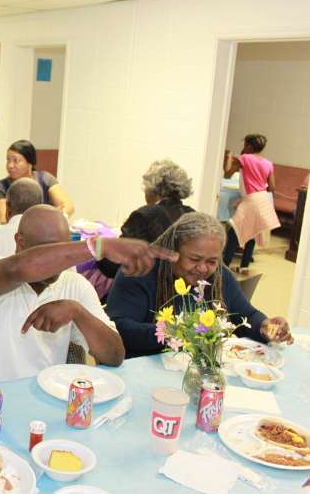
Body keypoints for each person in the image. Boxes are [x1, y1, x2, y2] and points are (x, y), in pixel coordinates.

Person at [0, 204, 178, 390]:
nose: (60, 260)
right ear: (20, 241)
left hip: (37, 407)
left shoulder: (74, 285)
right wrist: (98, 248)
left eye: (64, 248)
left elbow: (114, 356)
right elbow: (19, 268)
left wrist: (77, 312)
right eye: (50, 250)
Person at [106, 212, 292, 359]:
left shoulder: (219, 276)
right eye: (194, 259)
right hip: (143, 365)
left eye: (212, 261)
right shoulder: (139, 272)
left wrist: (265, 326)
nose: (203, 268)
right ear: (173, 250)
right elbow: (119, 328)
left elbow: (246, 315)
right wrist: (174, 331)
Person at [97, 159, 195, 279]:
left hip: (147, 287)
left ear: (153, 189)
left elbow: (113, 267)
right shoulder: (192, 215)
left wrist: (99, 248)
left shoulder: (145, 215)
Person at [222, 134, 279, 274]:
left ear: (249, 146)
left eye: (245, 145)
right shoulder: (268, 163)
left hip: (251, 201)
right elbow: (272, 187)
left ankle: (224, 267)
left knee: (234, 232)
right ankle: (244, 267)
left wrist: (229, 156)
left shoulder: (244, 158)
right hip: (263, 200)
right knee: (252, 232)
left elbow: (227, 174)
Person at [0, 140, 74, 224]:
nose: (10, 165)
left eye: (16, 161)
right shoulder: (0, 187)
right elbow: (4, 220)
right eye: (8, 160)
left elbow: (68, 206)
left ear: (30, 163)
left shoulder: (45, 179)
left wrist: (59, 217)